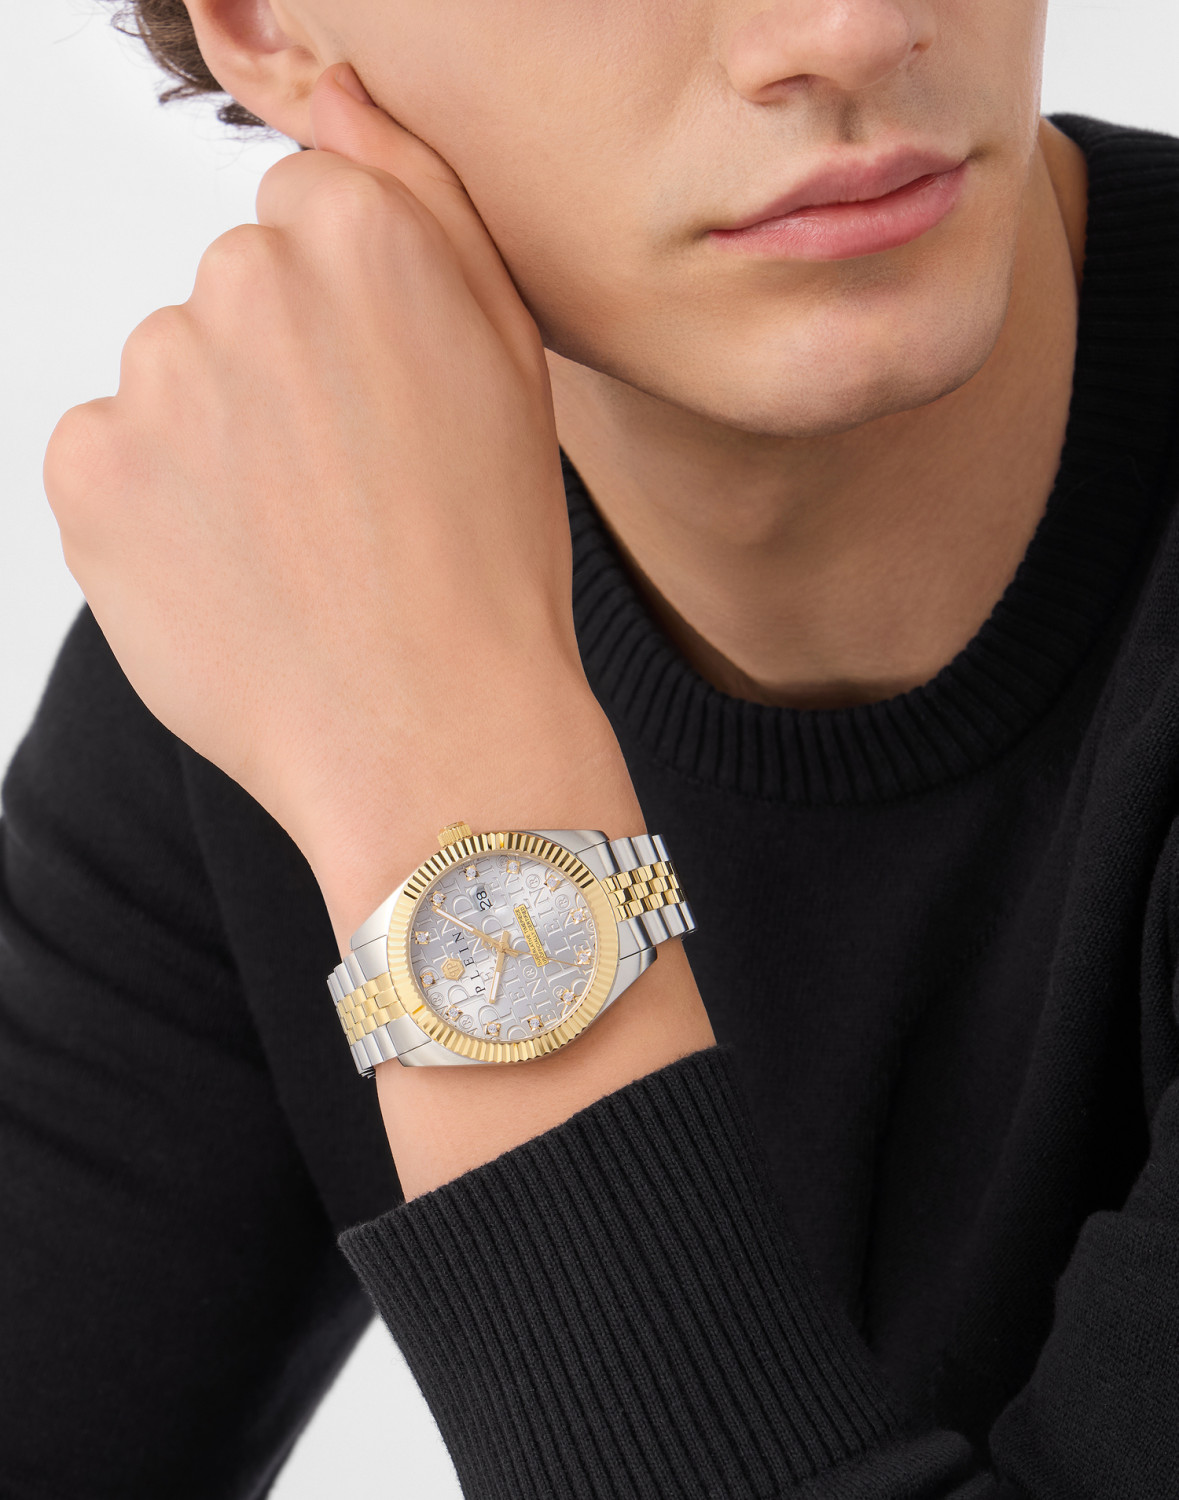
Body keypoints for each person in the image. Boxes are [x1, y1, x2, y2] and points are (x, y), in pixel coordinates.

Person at [4, 0, 1178, 1494]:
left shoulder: (346, 662)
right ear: (263, 21)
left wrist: (448, 813)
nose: (849, 27)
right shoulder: (292, 625)